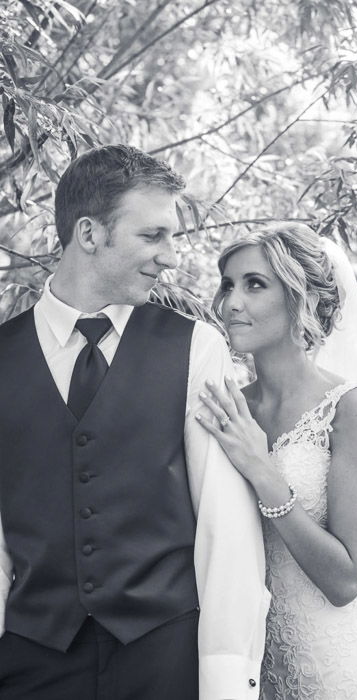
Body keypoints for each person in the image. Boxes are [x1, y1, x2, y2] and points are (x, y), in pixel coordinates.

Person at [0, 145, 270, 700]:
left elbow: (226, 530)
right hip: (32, 662)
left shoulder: (196, 348)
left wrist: (224, 681)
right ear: (89, 233)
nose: (170, 256)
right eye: (153, 236)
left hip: (165, 657)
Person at [196, 223, 357, 699]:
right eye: (228, 284)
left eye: (255, 285)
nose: (231, 302)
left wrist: (261, 468)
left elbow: (345, 580)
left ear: (302, 298)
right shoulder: (227, 407)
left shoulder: (351, 409)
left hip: (337, 667)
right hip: (245, 666)